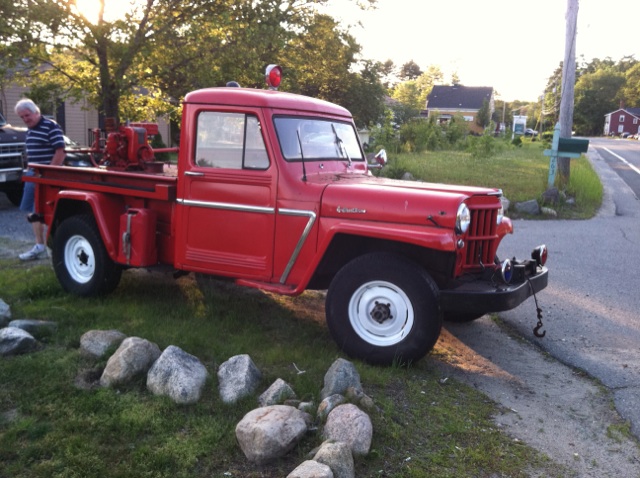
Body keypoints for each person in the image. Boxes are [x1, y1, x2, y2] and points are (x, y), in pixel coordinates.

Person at [14, 99, 66, 261]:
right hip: (33, 175)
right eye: (22, 117)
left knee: (51, 212)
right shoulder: (30, 130)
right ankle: (40, 246)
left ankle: (56, 248)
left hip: (48, 177)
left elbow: (60, 151)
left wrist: (49, 173)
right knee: (34, 211)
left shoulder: (51, 126)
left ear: (36, 112)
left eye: (27, 115)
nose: (25, 119)